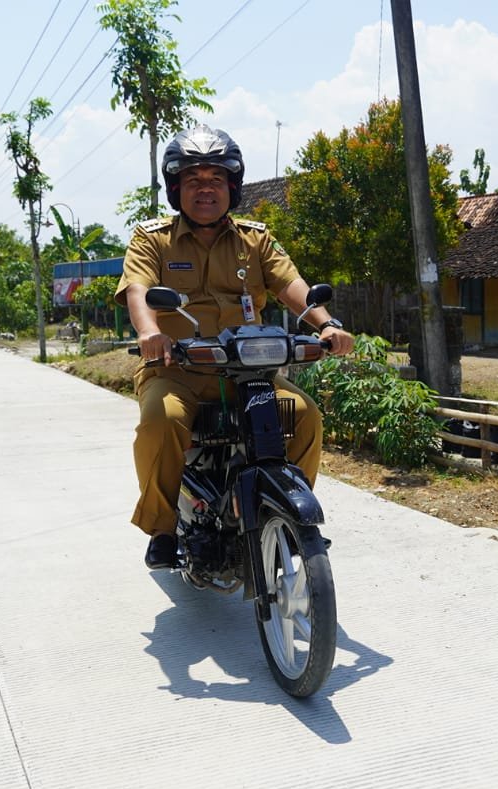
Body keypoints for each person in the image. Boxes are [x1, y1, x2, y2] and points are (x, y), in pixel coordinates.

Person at [115, 124, 354, 569]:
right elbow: (138, 290)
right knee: (161, 421)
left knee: (304, 416)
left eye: (216, 179)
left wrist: (327, 324)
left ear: (232, 187)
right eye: (193, 180)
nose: (206, 189)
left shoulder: (255, 239)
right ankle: (163, 528)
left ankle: (286, 514)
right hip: (176, 370)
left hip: (248, 372)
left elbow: (291, 285)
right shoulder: (152, 239)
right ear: (175, 188)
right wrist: (149, 332)